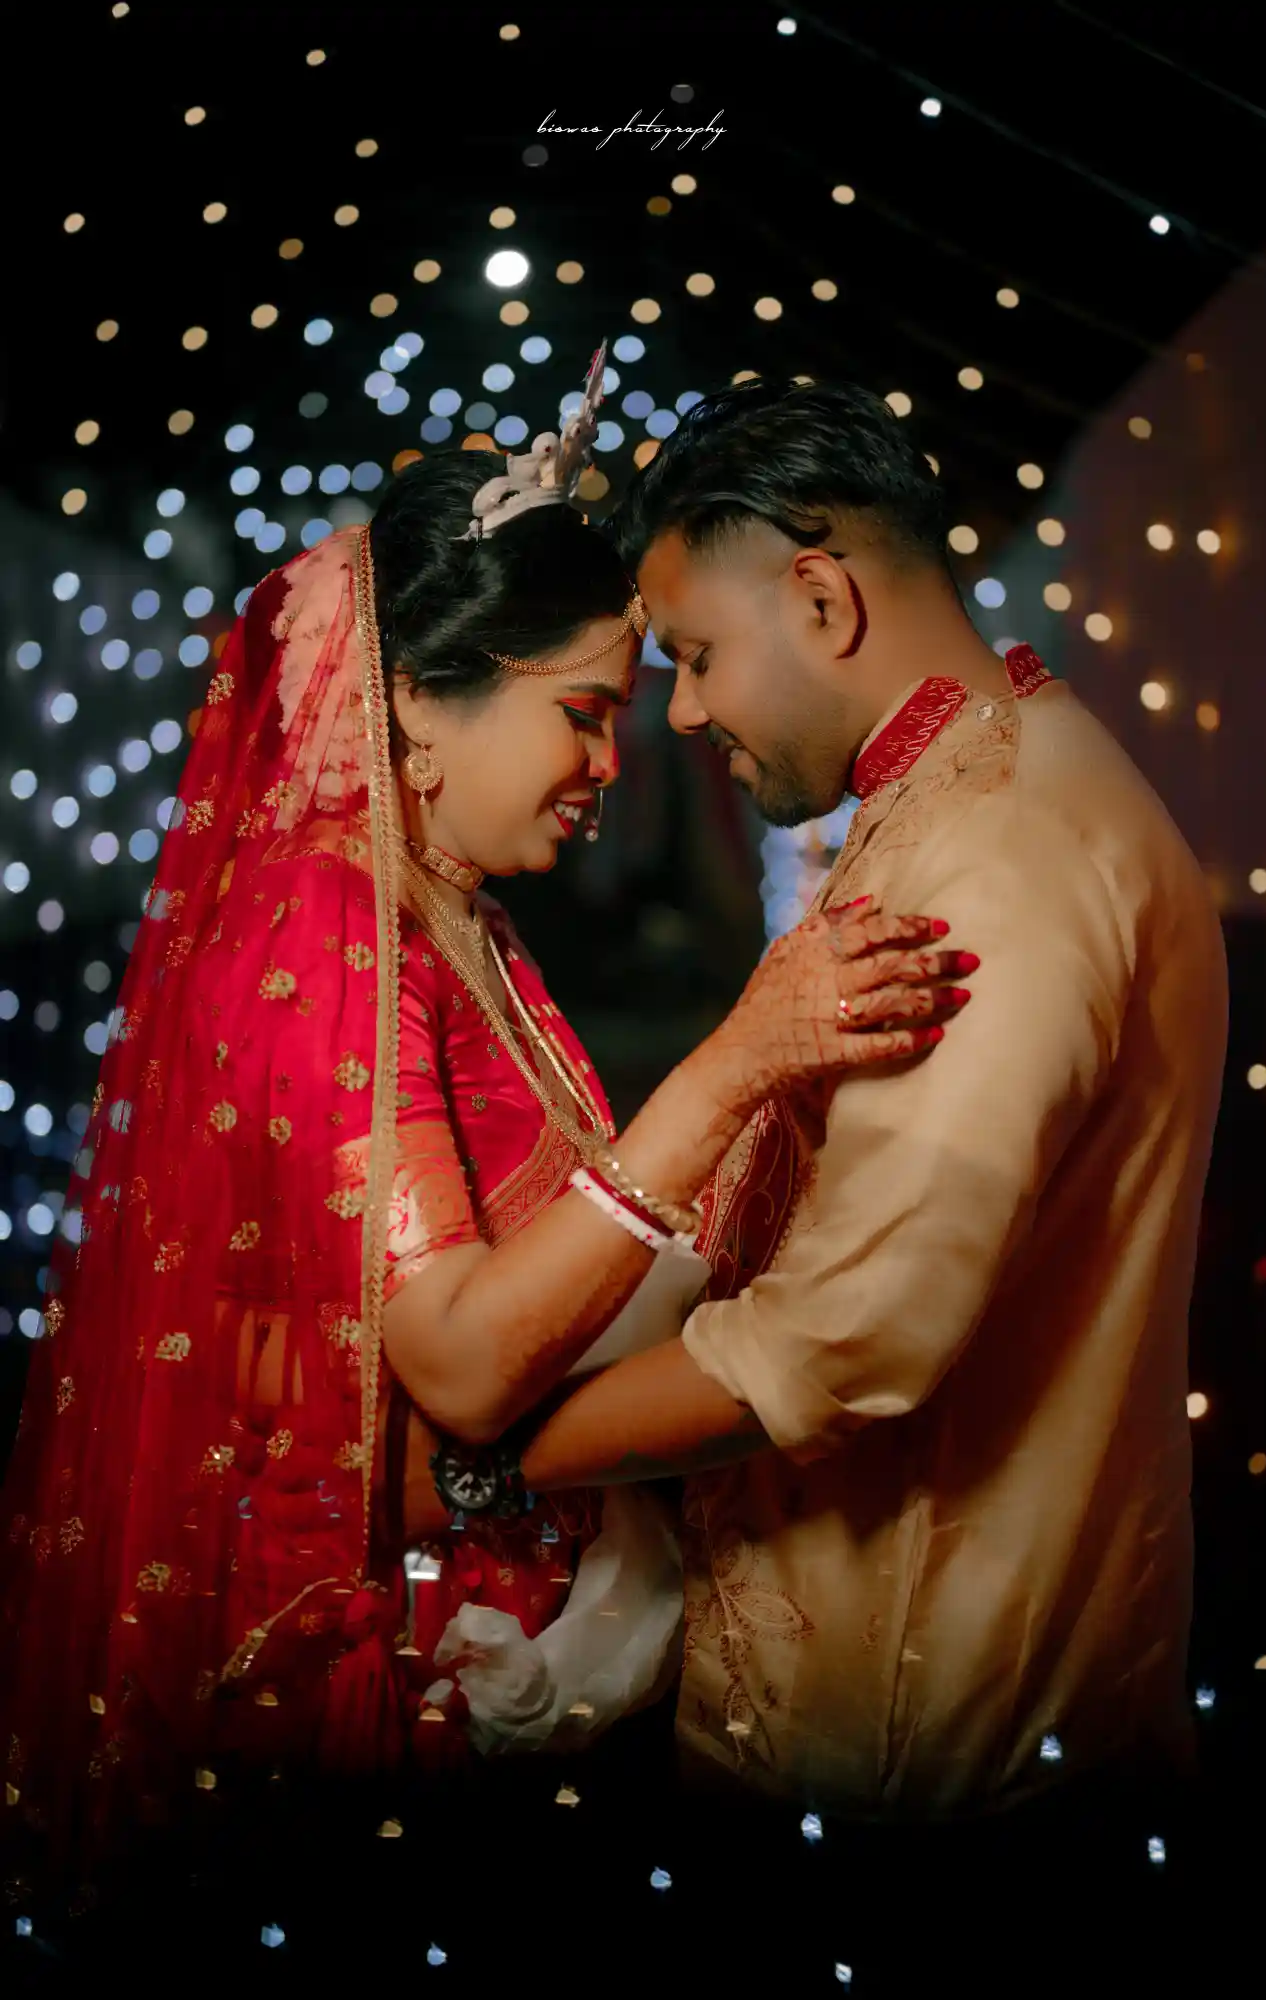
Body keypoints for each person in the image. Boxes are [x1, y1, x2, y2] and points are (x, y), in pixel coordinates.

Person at [0, 380, 975, 1938]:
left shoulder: (449, 911)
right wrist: (737, 1063)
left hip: (493, 1631)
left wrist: (787, 1097)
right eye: (579, 712)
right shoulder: (329, 923)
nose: (619, 759)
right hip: (382, 1676)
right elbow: (455, 1356)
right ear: (415, 706)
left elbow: (558, 1231)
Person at [496, 378, 1229, 1908]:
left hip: (918, 1738)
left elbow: (840, 1344)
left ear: (821, 599)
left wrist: (491, 1462)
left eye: (695, 658)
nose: (681, 711)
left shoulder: (1000, 856)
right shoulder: (984, 780)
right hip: (979, 1684)